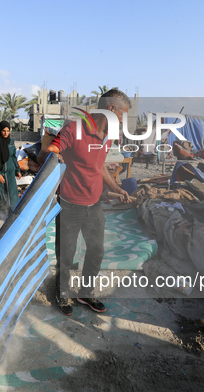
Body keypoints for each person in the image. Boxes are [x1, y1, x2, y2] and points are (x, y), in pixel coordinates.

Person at [38, 89, 131, 316]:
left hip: (95, 205)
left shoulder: (107, 136)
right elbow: (48, 152)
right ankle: (63, 293)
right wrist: (54, 154)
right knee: (67, 255)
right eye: (122, 114)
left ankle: (85, 292)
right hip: (70, 205)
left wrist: (117, 188)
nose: (122, 120)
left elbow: (99, 167)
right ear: (110, 109)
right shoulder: (75, 129)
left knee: (96, 251)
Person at [0, 120, 21, 219]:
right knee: (1, 194)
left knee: (12, 193)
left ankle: (13, 214)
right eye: (3, 131)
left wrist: (17, 170)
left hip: (10, 171)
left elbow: (13, 157)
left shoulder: (11, 142)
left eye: (8, 131)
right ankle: (1, 215)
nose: (6, 133)